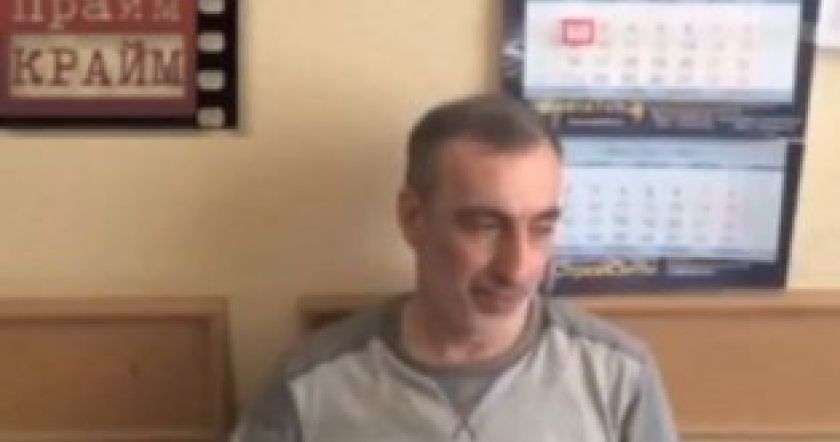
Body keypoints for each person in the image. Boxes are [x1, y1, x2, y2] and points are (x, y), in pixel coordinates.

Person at [233, 95, 679, 441]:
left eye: (541, 228)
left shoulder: (618, 376)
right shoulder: (311, 384)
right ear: (413, 218)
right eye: (486, 226)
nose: (518, 269)